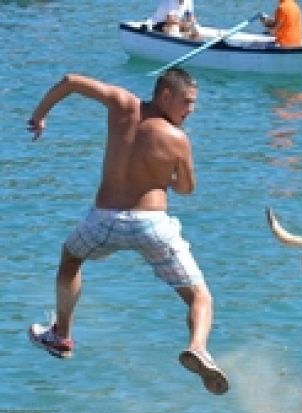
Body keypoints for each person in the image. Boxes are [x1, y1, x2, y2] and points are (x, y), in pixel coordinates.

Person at [26, 68, 229, 395]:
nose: (190, 110)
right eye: (187, 103)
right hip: (152, 225)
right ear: (165, 95)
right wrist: (163, 175)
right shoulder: (177, 139)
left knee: (71, 258)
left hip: (104, 221)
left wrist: (39, 117)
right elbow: (188, 189)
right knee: (200, 296)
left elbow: (71, 81)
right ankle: (198, 347)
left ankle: (61, 334)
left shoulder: (121, 103)